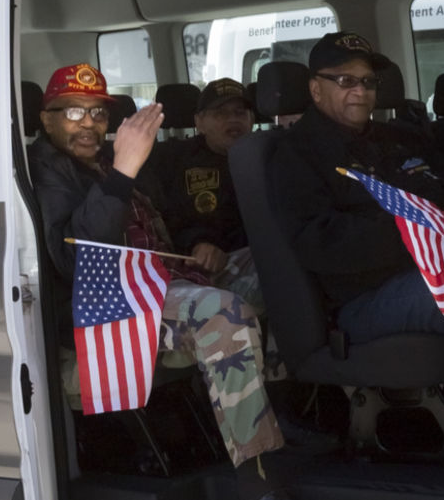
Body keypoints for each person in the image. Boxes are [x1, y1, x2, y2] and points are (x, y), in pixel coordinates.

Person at [26, 64, 284, 499]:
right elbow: (76, 258)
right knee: (223, 313)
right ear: (47, 119)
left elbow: (166, 222)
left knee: (278, 263)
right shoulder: (48, 171)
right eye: (73, 113)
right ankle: (256, 475)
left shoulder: (102, 162)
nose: (89, 124)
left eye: (98, 114)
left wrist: (202, 244)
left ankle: (301, 411)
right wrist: (125, 169)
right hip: (116, 301)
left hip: (165, 276)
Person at [270, 31, 444, 367]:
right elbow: (320, 242)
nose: (360, 91)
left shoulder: (403, 138)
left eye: (368, 82)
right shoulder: (296, 154)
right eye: (346, 80)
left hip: (443, 262)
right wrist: (415, 232)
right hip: (364, 297)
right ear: (316, 89)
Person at [157, 78, 263, 311]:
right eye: (220, 113)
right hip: (207, 269)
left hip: (260, 255)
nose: (233, 119)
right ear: (199, 122)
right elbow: (173, 217)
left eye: (240, 112)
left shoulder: (267, 155)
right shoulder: (178, 162)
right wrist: (198, 243)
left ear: (252, 120)